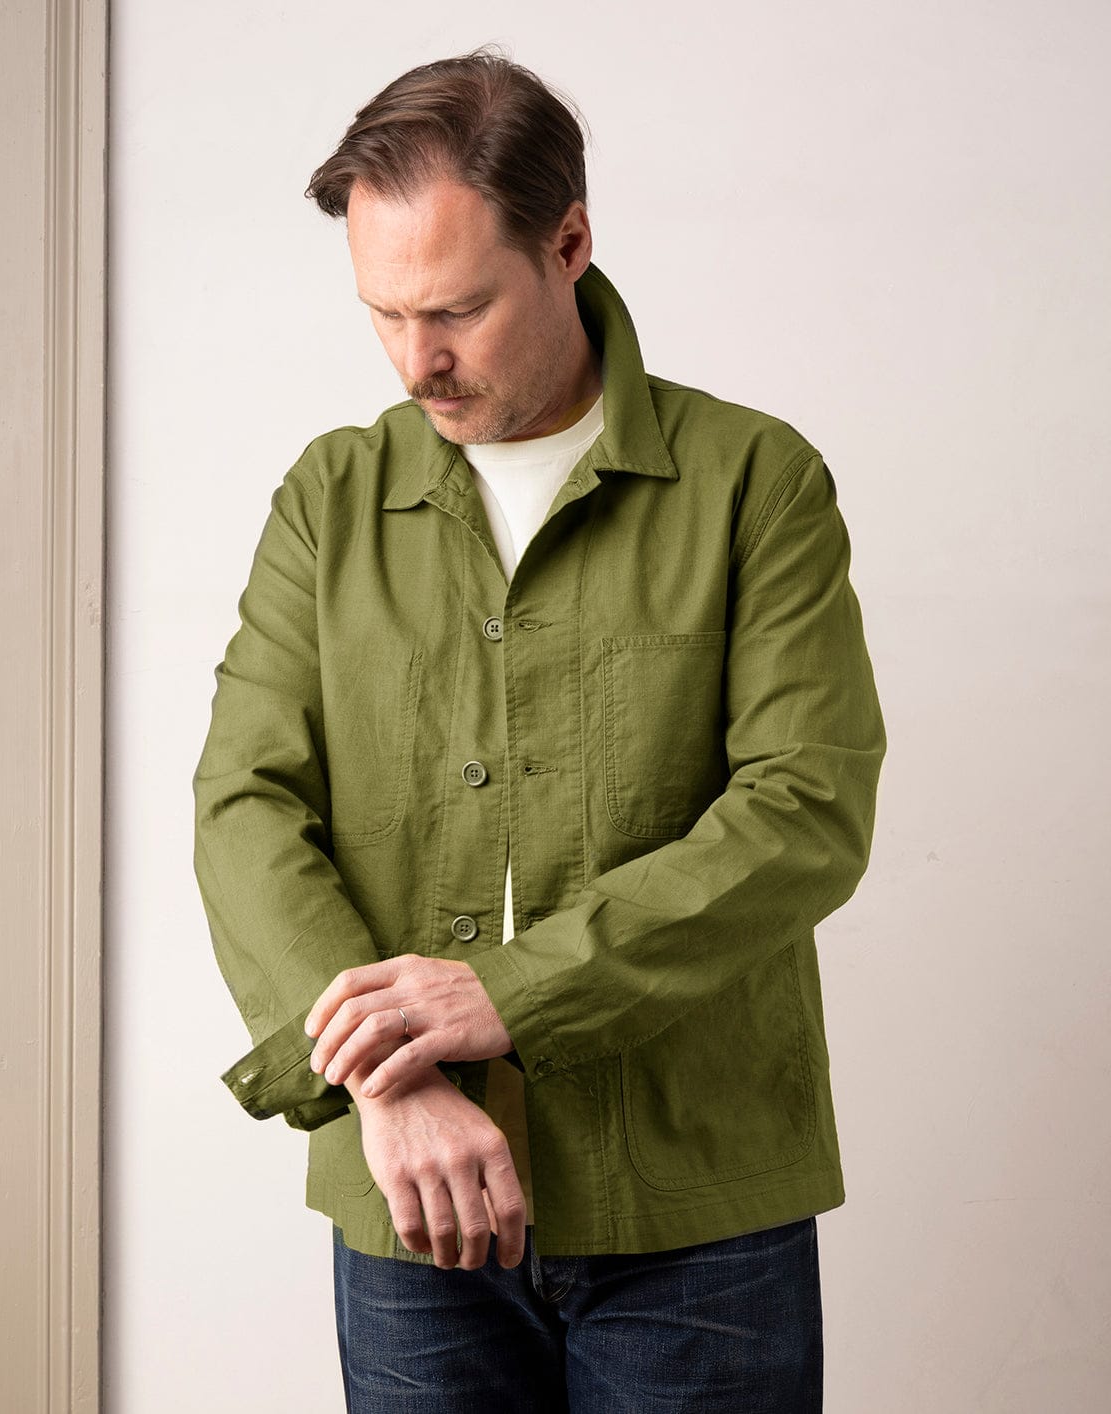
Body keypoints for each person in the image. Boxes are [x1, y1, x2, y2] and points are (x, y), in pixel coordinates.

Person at [193, 49, 885, 1413]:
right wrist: (387, 1083)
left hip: (695, 1201)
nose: (419, 361)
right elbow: (246, 807)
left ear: (568, 243)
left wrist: (511, 992)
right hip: (411, 1200)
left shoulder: (754, 483)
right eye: (384, 313)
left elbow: (805, 810)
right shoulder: (331, 499)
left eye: (458, 308)